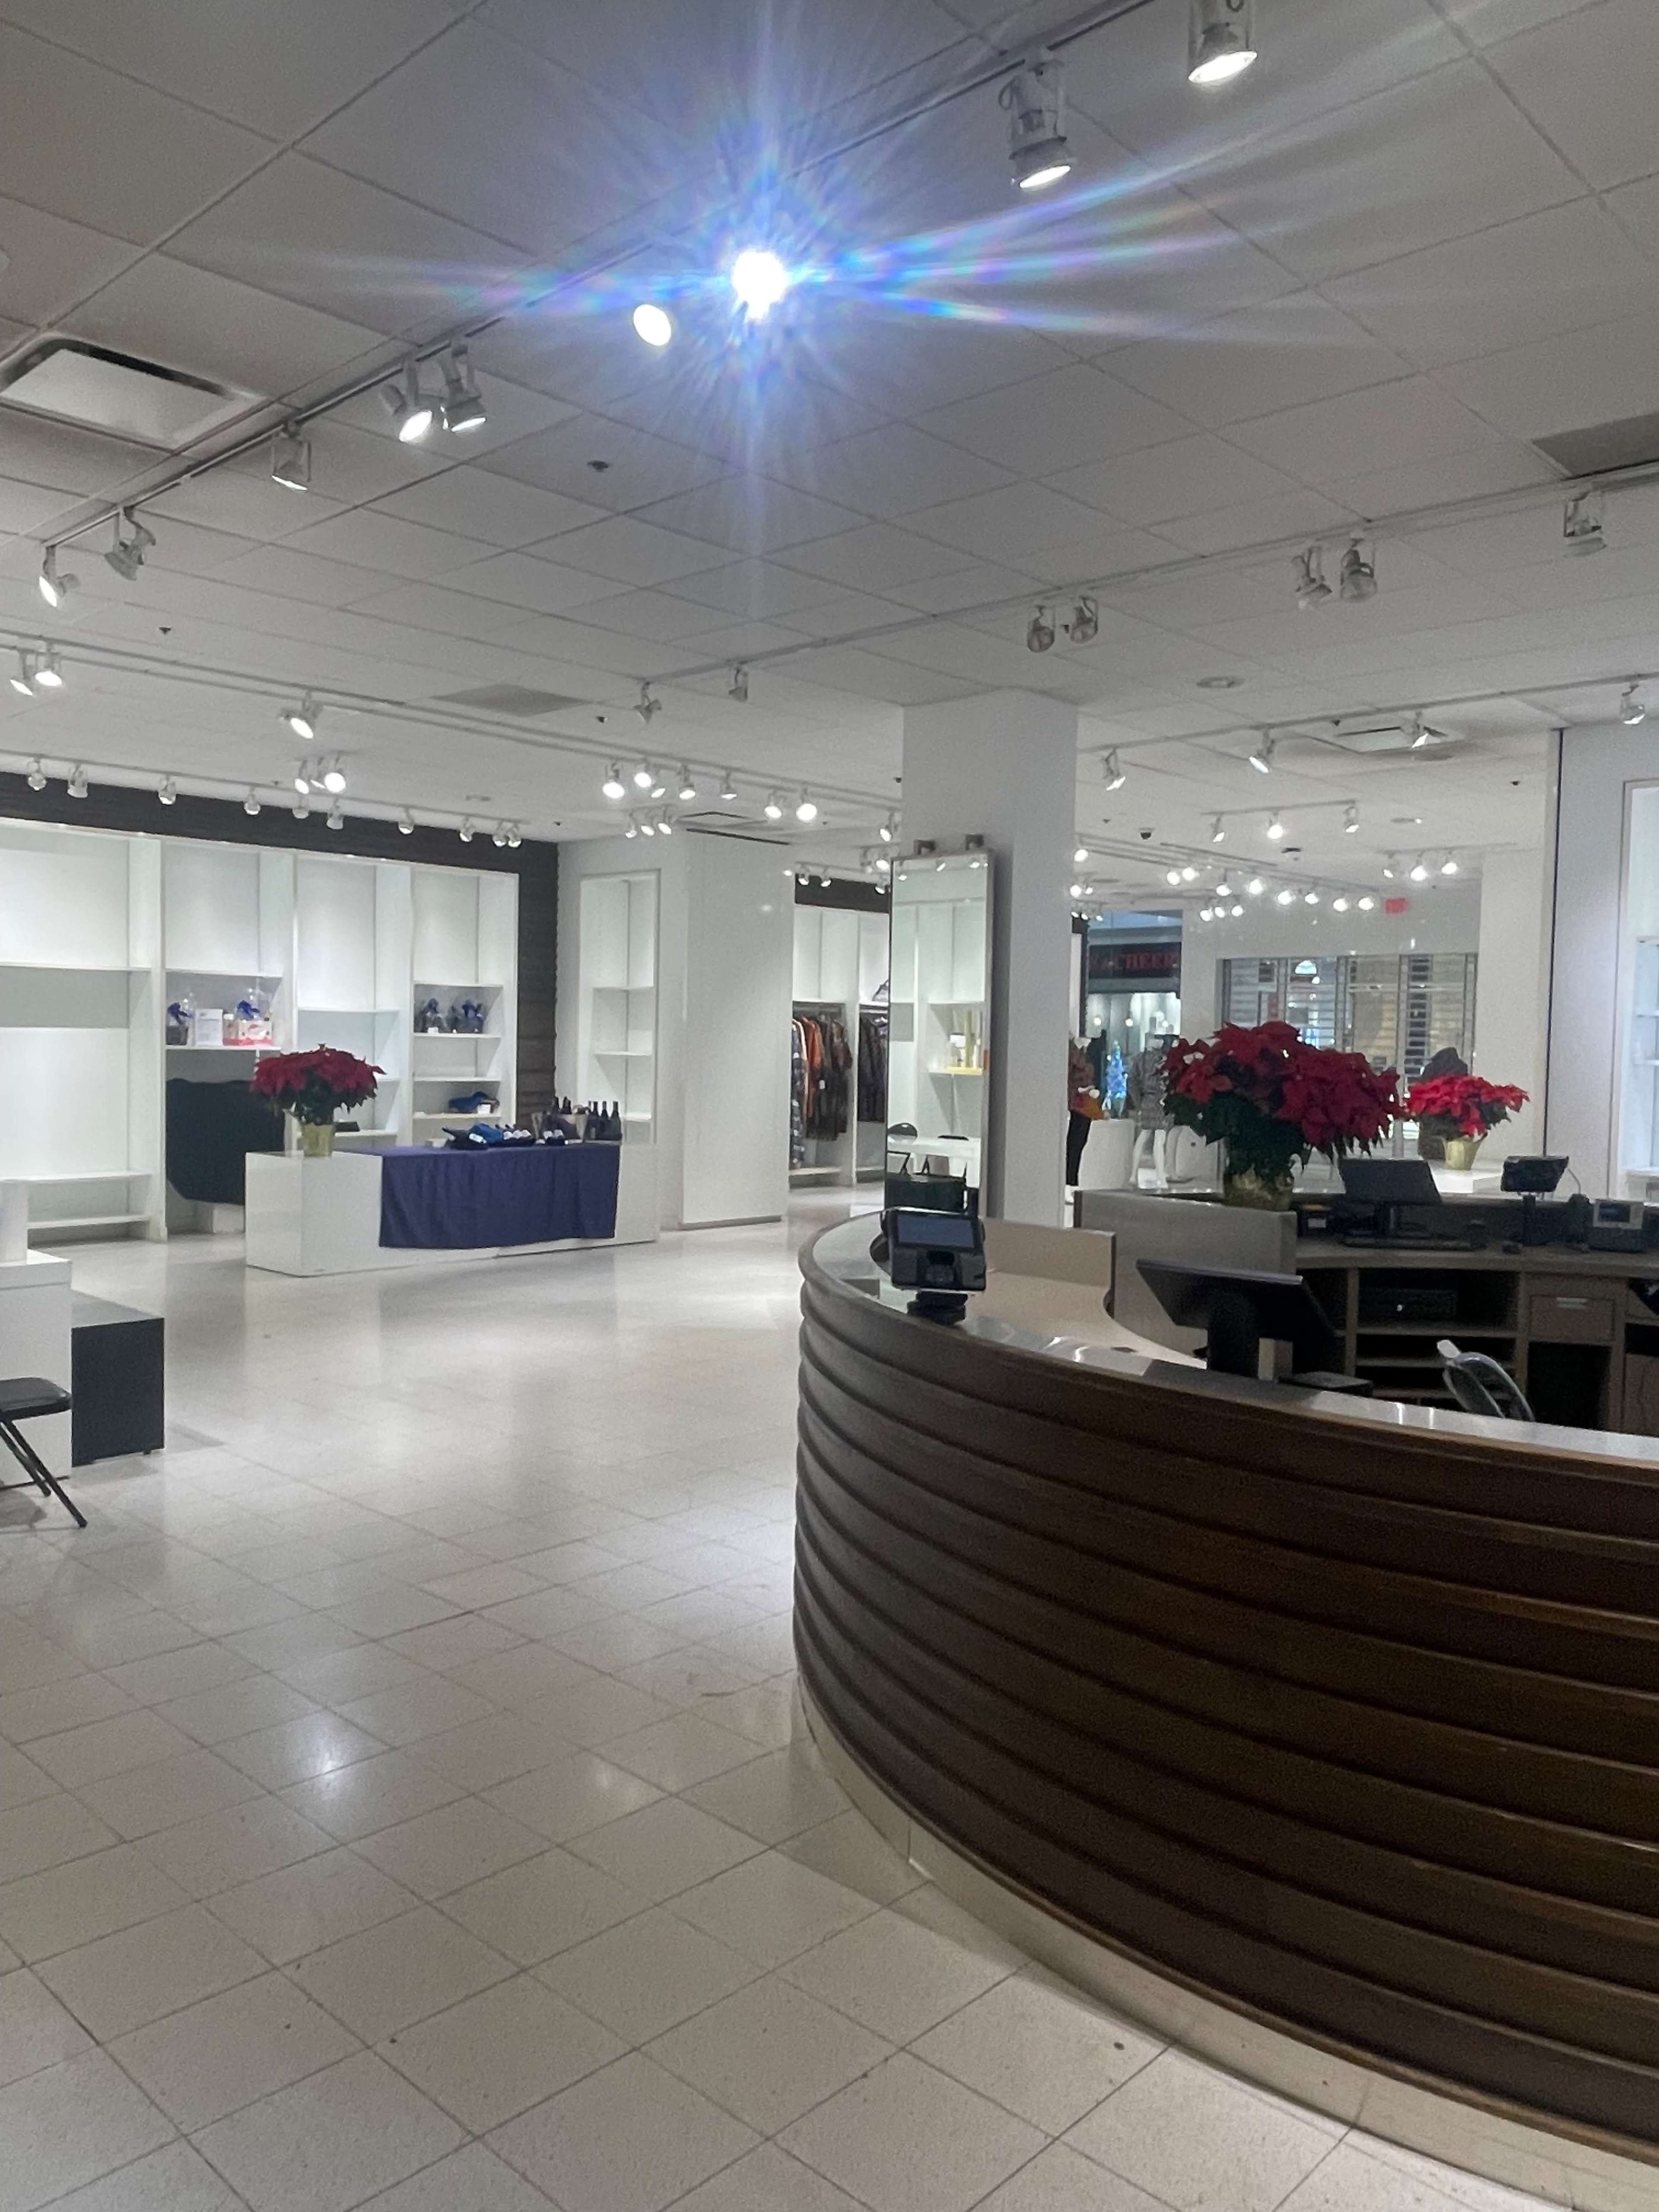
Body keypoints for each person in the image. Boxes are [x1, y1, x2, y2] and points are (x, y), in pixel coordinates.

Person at [1067, 1038, 1100, 1185]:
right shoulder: (1073, 1053)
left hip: (1085, 1102)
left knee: (1080, 1142)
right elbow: (1069, 1079)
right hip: (1078, 1104)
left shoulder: (1088, 1052)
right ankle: (1070, 1179)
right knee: (1075, 1143)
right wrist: (1081, 1091)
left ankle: (1073, 1178)